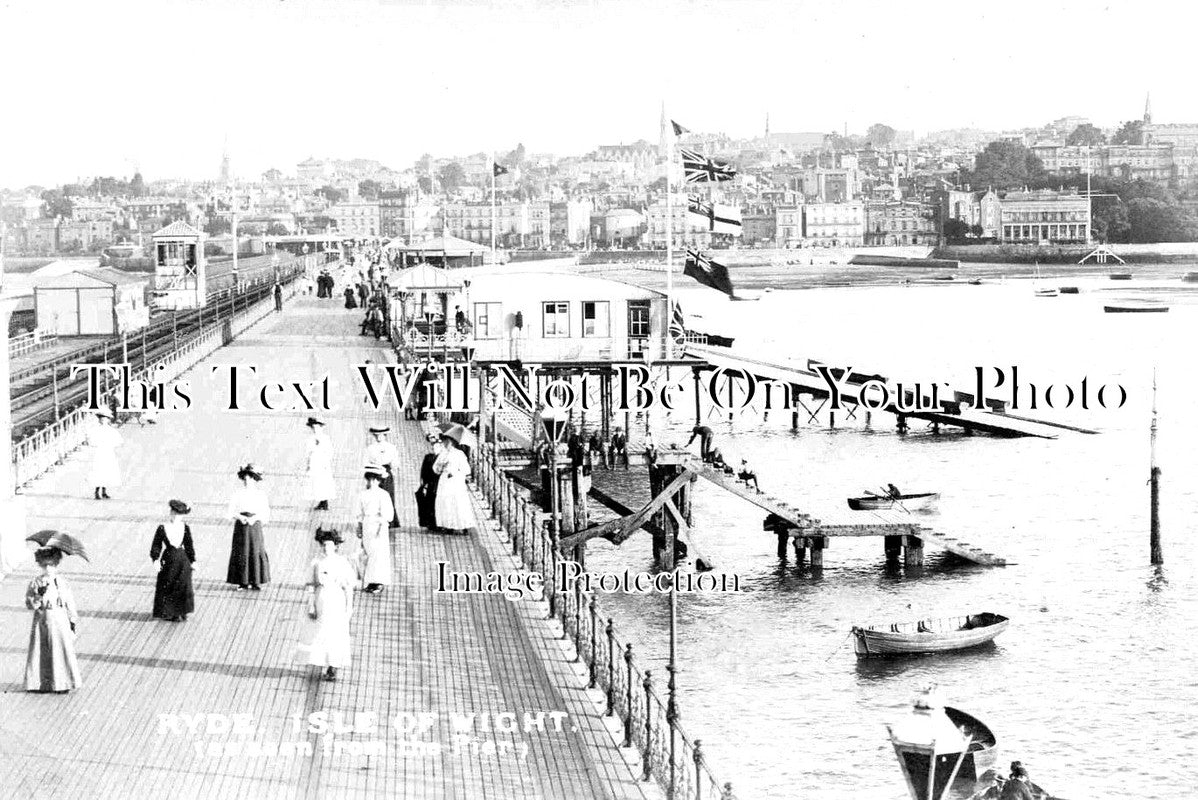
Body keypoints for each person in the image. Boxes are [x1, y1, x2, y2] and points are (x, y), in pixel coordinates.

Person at [296, 528, 356, 682]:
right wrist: (311, 604)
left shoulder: (342, 563)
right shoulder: (316, 563)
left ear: (336, 546)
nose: (326, 548)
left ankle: (333, 666)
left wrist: (349, 607)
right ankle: (321, 661)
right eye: (323, 545)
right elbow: (312, 585)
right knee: (319, 632)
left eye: (329, 545)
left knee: (336, 633)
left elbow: (348, 587)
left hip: (336, 600)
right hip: (321, 599)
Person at [25, 546, 82, 692]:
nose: (48, 568)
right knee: (41, 651)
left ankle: (63, 683)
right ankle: (41, 683)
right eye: (44, 565)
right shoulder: (36, 583)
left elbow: (69, 602)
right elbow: (30, 604)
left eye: (51, 565)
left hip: (59, 619)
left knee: (60, 651)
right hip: (42, 620)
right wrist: (38, 595)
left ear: (56, 565)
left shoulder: (60, 582)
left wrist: (72, 620)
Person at [226, 464, 271, 591]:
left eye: (250, 478)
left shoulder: (260, 495)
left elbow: (265, 513)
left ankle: (256, 581)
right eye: (245, 479)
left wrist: (255, 518)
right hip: (242, 525)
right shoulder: (238, 494)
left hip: (254, 525)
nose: (247, 481)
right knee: (242, 551)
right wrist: (240, 517)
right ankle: (243, 581)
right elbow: (230, 512)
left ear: (254, 479)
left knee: (256, 550)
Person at [151, 499, 196, 622]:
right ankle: (170, 612)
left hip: (183, 561)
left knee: (183, 585)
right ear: (170, 513)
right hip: (168, 560)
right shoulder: (163, 528)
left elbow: (189, 545)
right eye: (174, 514)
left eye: (179, 515)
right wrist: (155, 560)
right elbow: (156, 545)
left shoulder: (185, 527)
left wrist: (193, 560)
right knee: (168, 584)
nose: (176, 517)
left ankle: (182, 611)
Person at [356, 466, 393, 593]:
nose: (371, 482)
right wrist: (359, 527)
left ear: (379, 481)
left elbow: (388, 515)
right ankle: (370, 581)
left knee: (378, 554)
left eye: (374, 480)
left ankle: (378, 582)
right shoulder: (363, 494)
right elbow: (359, 513)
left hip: (378, 525)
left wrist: (381, 528)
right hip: (367, 524)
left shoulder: (383, 495)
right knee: (369, 553)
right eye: (369, 479)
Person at [433, 430, 473, 535]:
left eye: (447, 442)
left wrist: (455, 472)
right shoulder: (443, 454)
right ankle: (448, 525)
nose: (445, 444)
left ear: (452, 442)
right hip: (445, 481)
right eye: (444, 442)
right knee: (446, 502)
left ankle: (463, 526)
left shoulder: (459, 454)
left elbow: (466, 469)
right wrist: (441, 466)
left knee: (458, 502)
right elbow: (435, 468)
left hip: (456, 481)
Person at [365, 426, 401, 528]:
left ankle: (389, 520)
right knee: (374, 496)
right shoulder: (371, 448)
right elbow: (367, 461)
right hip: (374, 472)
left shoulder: (391, 447)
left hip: (386, 472)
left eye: (381, 435)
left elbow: (395, 462)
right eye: (376, 435)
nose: (378, 438)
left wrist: (391, 467)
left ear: (385, 436)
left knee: (388, 496)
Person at [88, 408, 122, 500]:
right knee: (98, 471)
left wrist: (111, 445)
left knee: (107, 471)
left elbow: (118, 441)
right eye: (101, 419)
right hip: (99, 452)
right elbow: (91, 440)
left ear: (108, 420)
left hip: (108, 452)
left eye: (104, 418)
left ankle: (104, 491)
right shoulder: (96, 430)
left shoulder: (111, 430)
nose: (102, 420)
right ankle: (96, 492)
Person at [304, 418, 336, 511]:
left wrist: (326, 462)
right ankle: (321, 501)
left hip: (323, 462)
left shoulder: (325, 438)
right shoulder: (310, 438)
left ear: (321, 427)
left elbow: (330, 451)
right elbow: (308, 452)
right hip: (314, 461)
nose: (315, 429)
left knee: (324, 481)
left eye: (316, 427)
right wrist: (308, 464)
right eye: (313, 427)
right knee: (316, 482)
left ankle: (324, 501)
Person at [415, 433, 442, 529]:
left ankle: (438, 522)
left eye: (437, 447)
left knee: (437, 503)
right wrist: (423, 483)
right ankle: (430, 523)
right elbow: (424, 471)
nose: (434, 449)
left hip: (439, 483)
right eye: (433, 447)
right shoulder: (428, 457)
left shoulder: (442, 458)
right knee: (429, 502)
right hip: (430, 483)